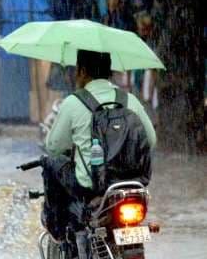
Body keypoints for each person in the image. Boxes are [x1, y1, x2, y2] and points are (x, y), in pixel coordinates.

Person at [42, 49, 157, 242]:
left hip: (92, 185)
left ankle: (60, 231)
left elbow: (53, 147)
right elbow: (151, 140)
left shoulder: (73, 102)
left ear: (83, 72)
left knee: (51, 163)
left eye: (78, 70)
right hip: (131, 182)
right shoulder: (130, 100)